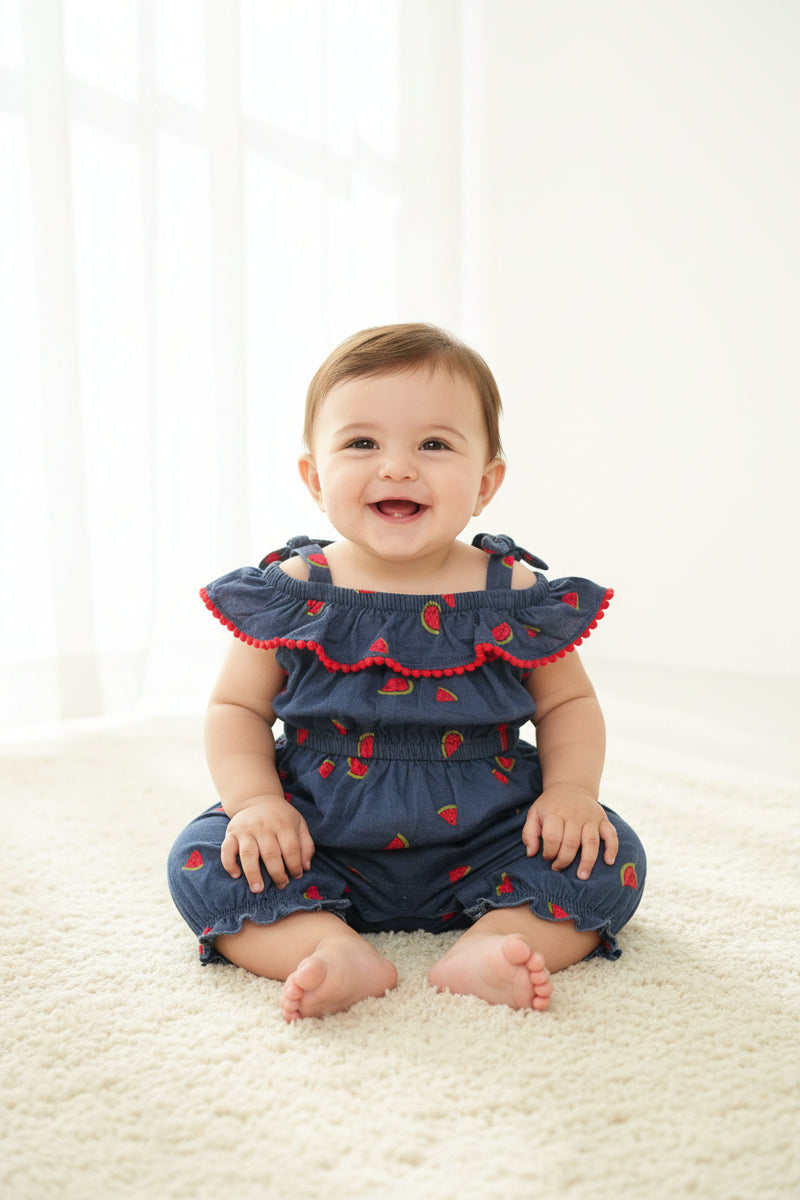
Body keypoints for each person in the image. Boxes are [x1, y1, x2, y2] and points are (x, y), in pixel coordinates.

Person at [168, 323, 646, 1022]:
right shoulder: (294, 591)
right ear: (314, 477)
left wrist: (572, 790)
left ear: (485, 483)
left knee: (608, 853)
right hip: (319, 837)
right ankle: (325, 943)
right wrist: (255, 804)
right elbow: (236, 710)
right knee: (205, 858)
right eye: (362, 443)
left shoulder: (513, 592)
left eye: (434, 444)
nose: (397, 467)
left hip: (490, 836)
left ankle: (493, 944)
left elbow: (567, 702)